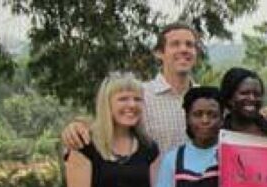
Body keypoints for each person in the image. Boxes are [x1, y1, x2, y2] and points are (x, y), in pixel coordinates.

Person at [61, 22, 199, 154]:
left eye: (189, 45)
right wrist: (76, 129)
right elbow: (104, 128)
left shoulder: (207, 99)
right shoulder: (139, 96)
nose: (184, 49)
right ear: (159, 53)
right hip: (153, 178)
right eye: (175, 44)